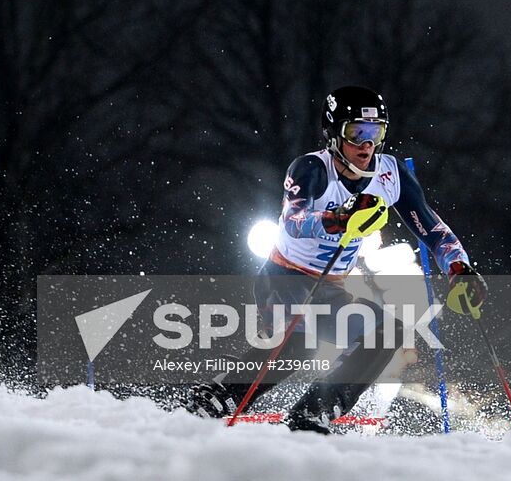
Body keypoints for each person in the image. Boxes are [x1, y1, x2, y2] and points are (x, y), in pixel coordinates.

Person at [186, 85, 488, 433]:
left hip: (331, 287)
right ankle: (220, 396)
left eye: (375, 134)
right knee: (301, 342)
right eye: (356, 133)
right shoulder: (312, 169)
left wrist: (458, 266)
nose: (366, 145)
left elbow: (432, 228)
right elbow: (293, 222)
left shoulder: (390, 174)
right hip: (285, 278)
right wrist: (336, 218)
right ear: (333, 135)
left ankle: (316, 410)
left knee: (387, 331)